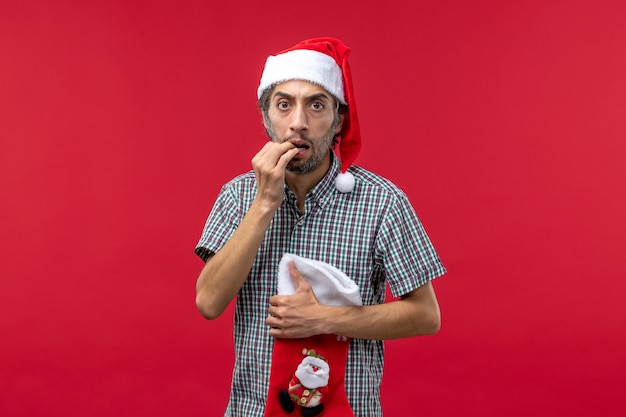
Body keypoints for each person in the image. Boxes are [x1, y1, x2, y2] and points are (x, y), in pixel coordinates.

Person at [194, 37, 446, 417]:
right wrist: (264, 205)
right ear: (266, 119)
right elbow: (208, 302)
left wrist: (324, 318)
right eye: (284, 104)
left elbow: (427, 316)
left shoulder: (382, 202)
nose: (298, 122)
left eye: (316, 105)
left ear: (338, 119)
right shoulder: (236, 197)